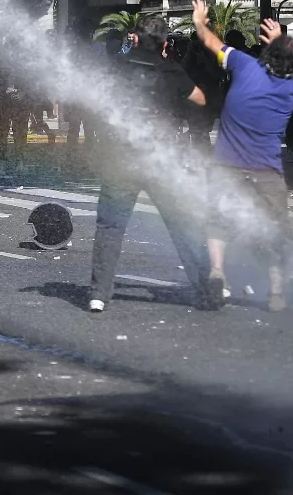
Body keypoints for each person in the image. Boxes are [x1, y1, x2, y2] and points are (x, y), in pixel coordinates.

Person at [191, 0, 293, 313]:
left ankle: (217, 271)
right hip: (266, 171)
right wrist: (282, 41)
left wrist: (199, 21)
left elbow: (209, 41)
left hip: (225, 165)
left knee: (217, 221)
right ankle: (276, 293)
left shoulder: (244, 66)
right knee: (275, 230)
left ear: (266, 56)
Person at [88, 16, 211, 313]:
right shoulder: (170, 69)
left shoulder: (118, 66)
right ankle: (204, 290)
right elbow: (200, 98)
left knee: (110, 226)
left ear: (135, 39)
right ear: (166, 44)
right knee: (180, 222)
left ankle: (98, 295)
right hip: (161, 159)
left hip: (122, 158)